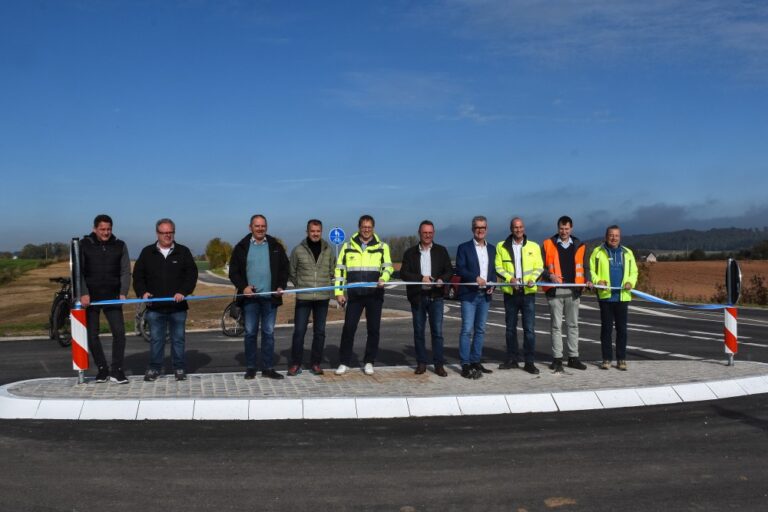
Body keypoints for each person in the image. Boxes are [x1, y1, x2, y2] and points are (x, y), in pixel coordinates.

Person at [133, 218, 198, 382]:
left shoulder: (183, 252)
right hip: (155, 307)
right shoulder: (147, 252)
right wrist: (143, 292)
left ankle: (179, 368)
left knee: (178, 339)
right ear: (157, 234)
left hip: (178, 307)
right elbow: (138, 276)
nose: (167, 236)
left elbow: (192, 274)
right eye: (164, 233)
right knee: (156, 340)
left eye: (170, 232)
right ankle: (154, 368)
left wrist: (184, 291)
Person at [229, 214, 290, 380]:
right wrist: (243, 287)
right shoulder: (241, 247)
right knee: (250, 333)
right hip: (250, 299)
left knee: (268, 333)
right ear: (250, 227)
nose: (260, 229)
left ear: (266, 227)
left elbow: (285, 269)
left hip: (270, 298)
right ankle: (250, 367)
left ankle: (268, 368)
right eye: (257, 226)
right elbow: (233, 272)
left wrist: (281, 286)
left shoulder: (275, 246)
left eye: (263, 226)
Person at [334, 214, 393, 376]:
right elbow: (340, 271)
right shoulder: (347, 247)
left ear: (373, 228)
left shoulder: (382, 247)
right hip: (354, 295)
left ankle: (369, 362)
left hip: (375, 295)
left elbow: (388, 267)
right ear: (359, 228)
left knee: (373, 330)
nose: (366, 230)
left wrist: (384, 278)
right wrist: (339, 293)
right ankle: (344, 362)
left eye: (369, 227)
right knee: (348, 329)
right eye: (363, 227)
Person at [79, 214, 131, 384]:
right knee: (92, 335)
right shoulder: (84, 245)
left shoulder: (120, 245)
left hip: (113, 296)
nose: (106, 232)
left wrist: (123, 291)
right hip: (91, 298)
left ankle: (117, 370)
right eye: (102, 229)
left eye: (108, 229)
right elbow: (78, 271)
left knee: (119, 333)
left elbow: (125, 270)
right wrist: (84, 292)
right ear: (95, 229)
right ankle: (102, 369)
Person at [399, 220, 454, 377]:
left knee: (437, 332)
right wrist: (420, 278)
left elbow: (449, 270)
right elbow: (403, 273)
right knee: (419, 332)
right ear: (419, 233)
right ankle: (421, 363)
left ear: (433, 233)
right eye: (425, 233)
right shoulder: (409, 253)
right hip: (418, 297)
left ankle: (438, 365)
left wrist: (442, 279)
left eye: (430, 232)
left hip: (436, 297)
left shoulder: (441, 251)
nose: (428, 235)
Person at [541, 216, 592, 373]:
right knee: (556, 326)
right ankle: (557, 359)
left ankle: (573, 357)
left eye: (567, 229)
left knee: (573, 325)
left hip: (573, 290)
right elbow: (540, 267)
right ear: (558, 228)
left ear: (571, 229)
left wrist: (588, 281)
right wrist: (550, 276)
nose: (564, 231)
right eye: (561, 229)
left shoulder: (580, 246)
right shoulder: (547, 244)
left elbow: (585, 267)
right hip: (555, 290)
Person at [495, 217, 544, 374]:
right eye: (515, 227)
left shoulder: (534, 246)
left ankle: (529, 362)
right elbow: (498, 267)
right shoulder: (501, 246)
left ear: (524, 228)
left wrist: (532, 279)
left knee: (529, 330)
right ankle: (512, 359)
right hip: (511, 293)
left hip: (528, 293)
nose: (518, 230)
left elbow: (539, 267)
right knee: (510, 329)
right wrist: (510, 279)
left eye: (521, 227)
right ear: (511, 229)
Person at [287, 219, 335, 376]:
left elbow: (332, 270)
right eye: (312, 231)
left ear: (321, 231)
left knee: (320, 332)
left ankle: (315, 363)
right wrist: (300, 285)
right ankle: (295, 363)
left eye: (318, 231)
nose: (315, 234)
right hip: (304, 298)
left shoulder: (328, 250)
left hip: (322, 298)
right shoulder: (298, 250)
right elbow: (292, 272)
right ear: (307, 232)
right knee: (299, 331)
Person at [590, 225, 638, 371]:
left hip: (622, 297)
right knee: (606, 330)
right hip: (606, 297)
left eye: (616, 235)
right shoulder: (597, 252)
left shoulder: (628, 253)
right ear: (606, 236)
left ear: (620, 237)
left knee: (622, 330)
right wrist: (598, 281)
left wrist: (630, 282)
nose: (614, 238)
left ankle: (621, 359)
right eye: (611, 235)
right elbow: (591, 271)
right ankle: (606, 359)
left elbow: (634, 272)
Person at [455, 216, 496, 379]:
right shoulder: (463, 248)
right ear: (473, 229)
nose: (480, 230)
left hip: (485, 296)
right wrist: (475, 277)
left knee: (480, 330)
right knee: (466, 330)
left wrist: (492, 283)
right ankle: (465, 363)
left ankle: (475, 361)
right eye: (477, 227)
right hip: (469, 295)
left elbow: (493, 270)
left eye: (483, 227)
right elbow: (460, 269)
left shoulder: (492, 249)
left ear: (487, 229)